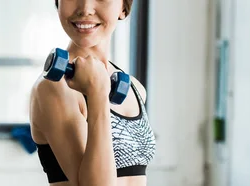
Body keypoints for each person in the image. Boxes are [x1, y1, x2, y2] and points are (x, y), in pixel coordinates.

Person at [29, 0, 156, 186]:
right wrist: (97, 94)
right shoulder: (53, 88)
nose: (85, 9)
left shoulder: (134, 89)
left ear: (123, 7)